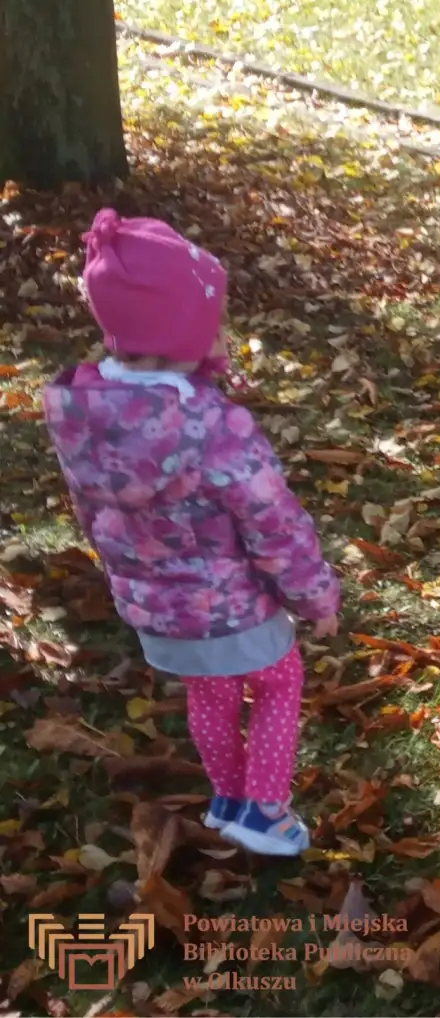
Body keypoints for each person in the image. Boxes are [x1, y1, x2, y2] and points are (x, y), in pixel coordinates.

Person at [43, 209, 341, 857]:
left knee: (208, 691)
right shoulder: (212, 425)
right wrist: (314, 594)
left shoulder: (83, 413)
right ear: (187, 331)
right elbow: (273, 521)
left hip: (157, 612)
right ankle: (263, 808)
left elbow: (88, 510)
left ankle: (227, 798)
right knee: (278, 681)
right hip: (231, 605)